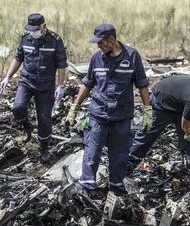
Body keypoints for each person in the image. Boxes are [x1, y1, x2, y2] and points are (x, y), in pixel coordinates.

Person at [65, 24, 151, 195]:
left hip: (122, 116)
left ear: (111, 40)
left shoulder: (132, 56)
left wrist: (148, 111)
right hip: (98, 114)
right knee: (92, 152)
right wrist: (75, 107)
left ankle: (116, 188)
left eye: (101, 42)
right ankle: (87, 188)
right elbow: (87, 83)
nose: (98, 46)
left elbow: (142, 84)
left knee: (119, 156)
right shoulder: (96, 58)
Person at [0, 13, 67, 161]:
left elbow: (62, 65)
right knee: (17, 107)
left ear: (44, 25)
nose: (33, 32)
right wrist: (7, 77)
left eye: (36, 29)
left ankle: (43, 147)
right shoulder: (25, 39)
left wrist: (61, 86)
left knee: (44, 119)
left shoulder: (55, 41)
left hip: (46, 85)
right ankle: (27, 126)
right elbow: (18, 58)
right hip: (26, 81)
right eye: (31, 29)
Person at [128, 75, 190, 167]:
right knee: (147, 135)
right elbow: (186, 127)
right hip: (161, 102)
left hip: (181, 103)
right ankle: (127, 165)